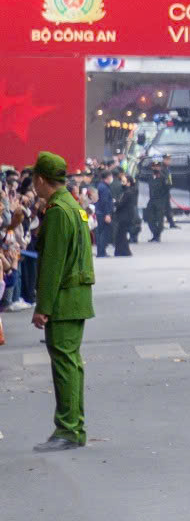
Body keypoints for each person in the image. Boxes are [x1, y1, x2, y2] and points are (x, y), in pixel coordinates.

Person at [27, 151, 94, 450]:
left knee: (65, 365)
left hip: (64, 299)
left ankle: (67, 430)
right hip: (77, 295)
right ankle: (75, 428)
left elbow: (52, 264)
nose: (33, 185)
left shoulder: (56, 211)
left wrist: (43, 308)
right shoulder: (73, 206)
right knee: (72, 364)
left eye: (34, 180)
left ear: (41, 179)